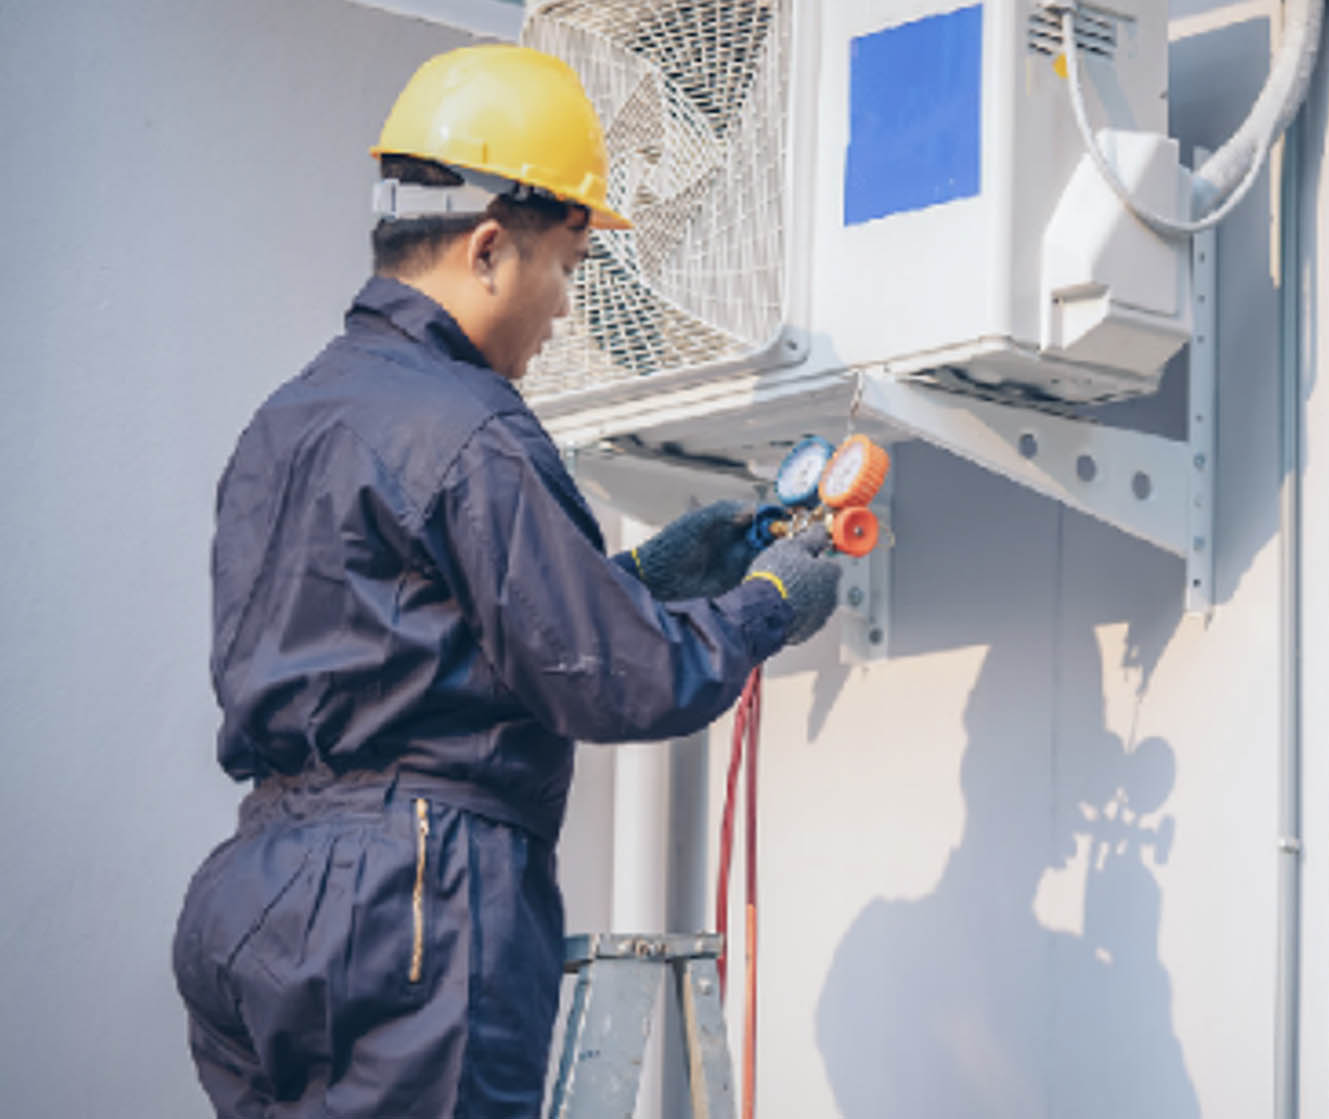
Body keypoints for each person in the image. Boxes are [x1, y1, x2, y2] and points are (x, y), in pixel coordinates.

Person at [170, 44, 839, 1117]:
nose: (566, 309)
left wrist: (640, 577)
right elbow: (618, 679)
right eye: (566, 267)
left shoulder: (285, 423)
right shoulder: (471, 427)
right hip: (410, 898)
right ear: (488, 248)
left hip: (256, 896)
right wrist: (766, 606)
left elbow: (413, 638)